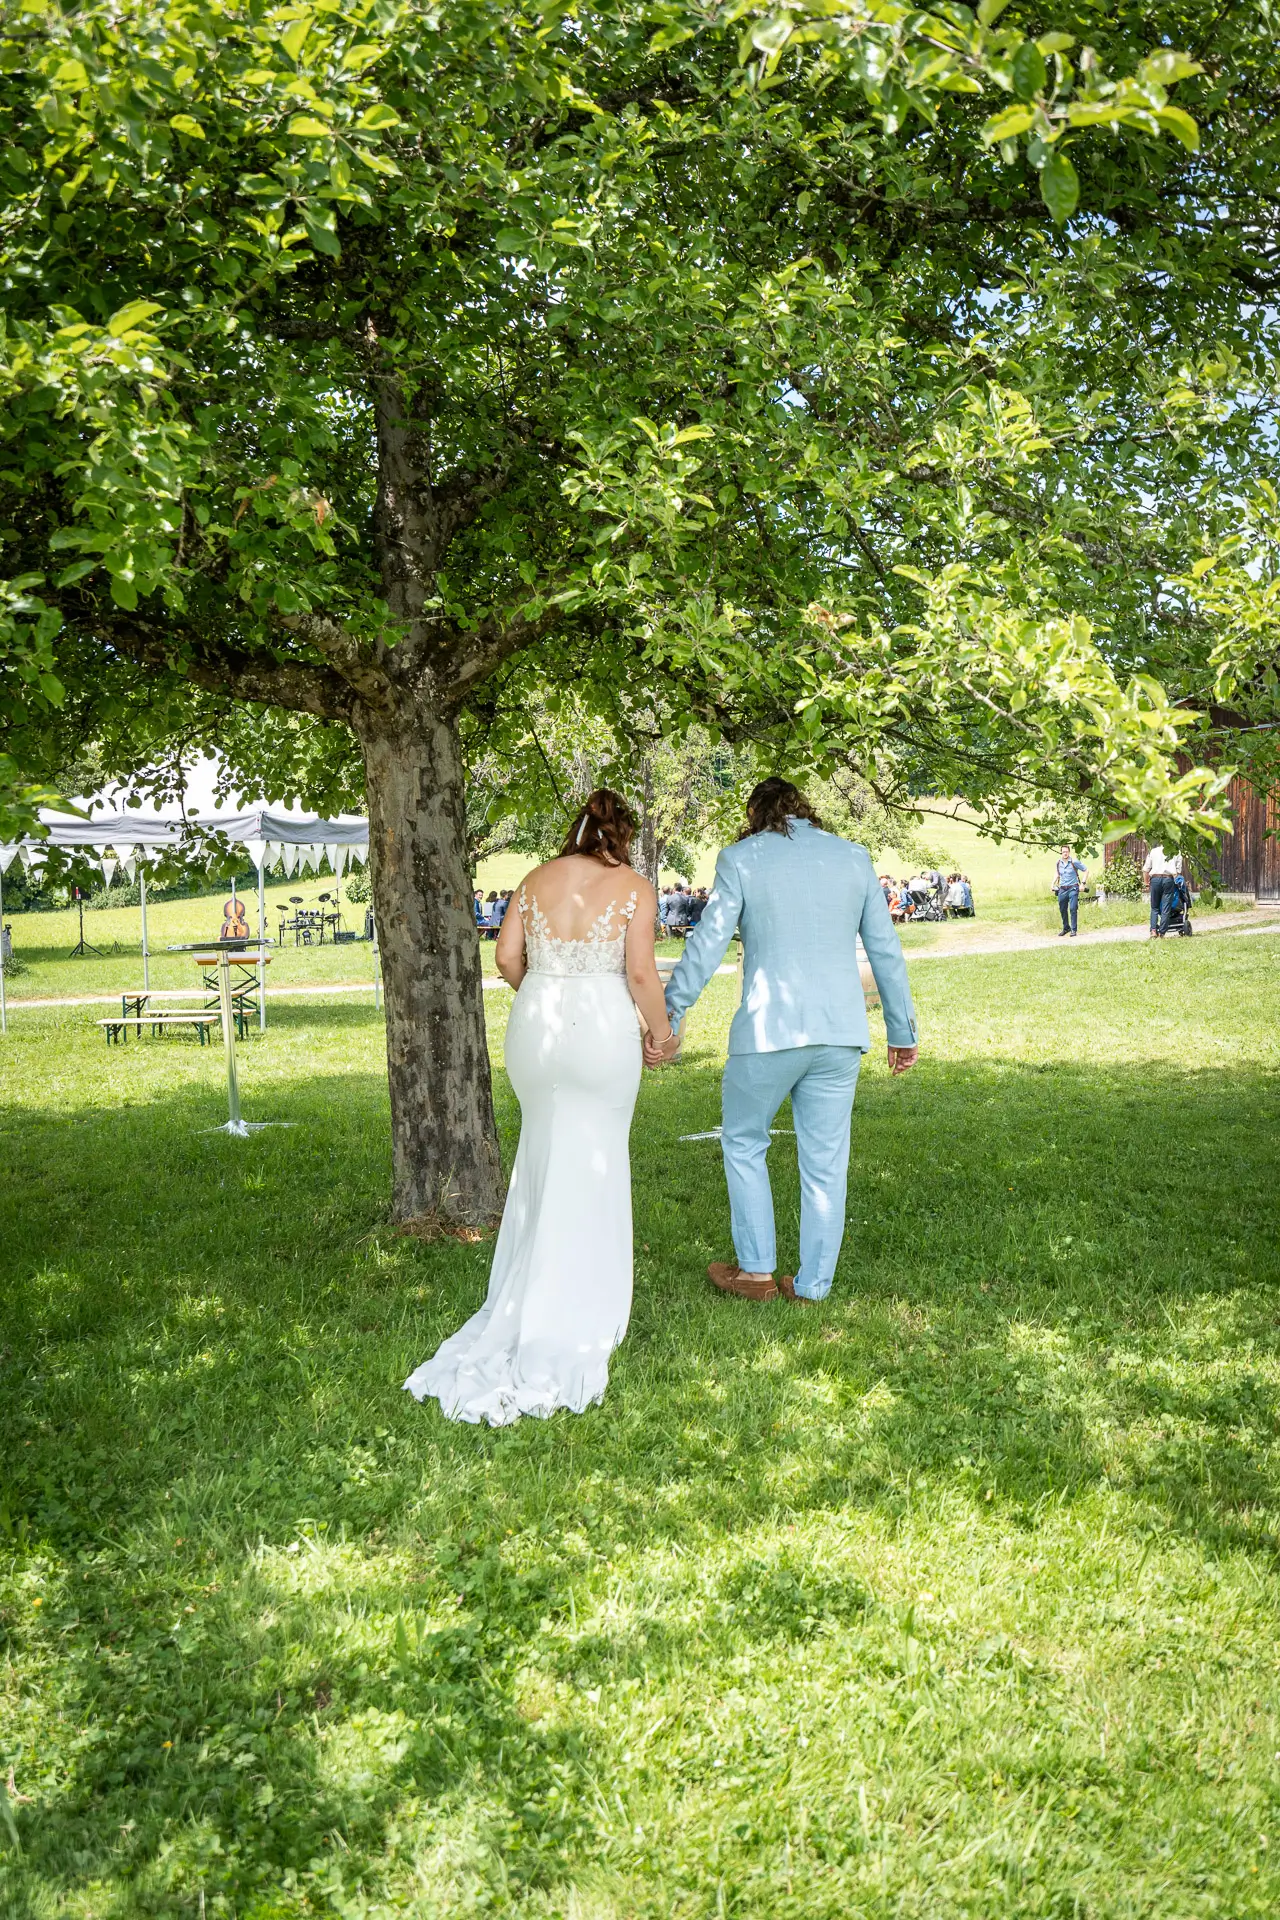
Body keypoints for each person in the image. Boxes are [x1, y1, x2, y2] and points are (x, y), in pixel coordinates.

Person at [404, 789, 675, 1425]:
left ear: (575, 831)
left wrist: (542, 992)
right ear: (621, 837)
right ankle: (580, 1294)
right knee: (599, 1152)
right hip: (602, 1028)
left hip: (538, 1027)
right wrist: (661, 1035)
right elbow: (640, 975)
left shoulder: (532, 879)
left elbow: (504, 957)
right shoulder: (635, 887)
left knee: (545, 1149)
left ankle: (530, 1286)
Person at [649, 777, 918, 1305]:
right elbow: (885, 949)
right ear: (805, 808)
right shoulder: (853, 857)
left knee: (744, 1140)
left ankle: (756, 1273)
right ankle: (813, 1285)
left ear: (756, 812)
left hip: (768, 1030)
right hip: (839, 1033)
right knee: (825, 1161)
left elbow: (707, 943)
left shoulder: (741, 858)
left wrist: (671, 1011)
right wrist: (901, 1031)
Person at [1142, 842, 1182, 938]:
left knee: (1154, 907)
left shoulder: (1153, 851)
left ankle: (1153, 931)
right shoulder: (1176, 852)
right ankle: (1162, 932)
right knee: (1166, 908)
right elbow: (1178, 872)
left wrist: (1146, 884)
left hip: (1155, 879)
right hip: (1168, 879)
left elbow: (1145, 870)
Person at [1053, 844, 1088, 937]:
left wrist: (1083, 884)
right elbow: (1057, 874)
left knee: (1073, 908)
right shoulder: (1058, 863)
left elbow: (1086, 870)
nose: (1065, 853)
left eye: (1067, 852)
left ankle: (1073, 930)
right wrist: (1052, 883)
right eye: (1063, 852)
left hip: (1073, 887)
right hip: (1062, 888)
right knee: (1062, 909)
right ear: (1061, 852)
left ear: (1069, 852)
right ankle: (1066, 928)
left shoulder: (1074, 862)